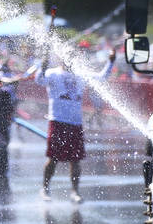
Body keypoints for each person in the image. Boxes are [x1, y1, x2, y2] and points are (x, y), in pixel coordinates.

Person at [36, 47, 116, 202]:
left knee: (76, 159)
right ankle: (45, 189)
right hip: (58, 120)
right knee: (53, 158)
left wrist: (111, 62)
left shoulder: (81, 75)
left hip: (75, 123)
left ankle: (75, 192)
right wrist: (43, 64)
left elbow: (102, 77)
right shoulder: (53, 74)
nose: (71, 60)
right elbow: (39, 79)